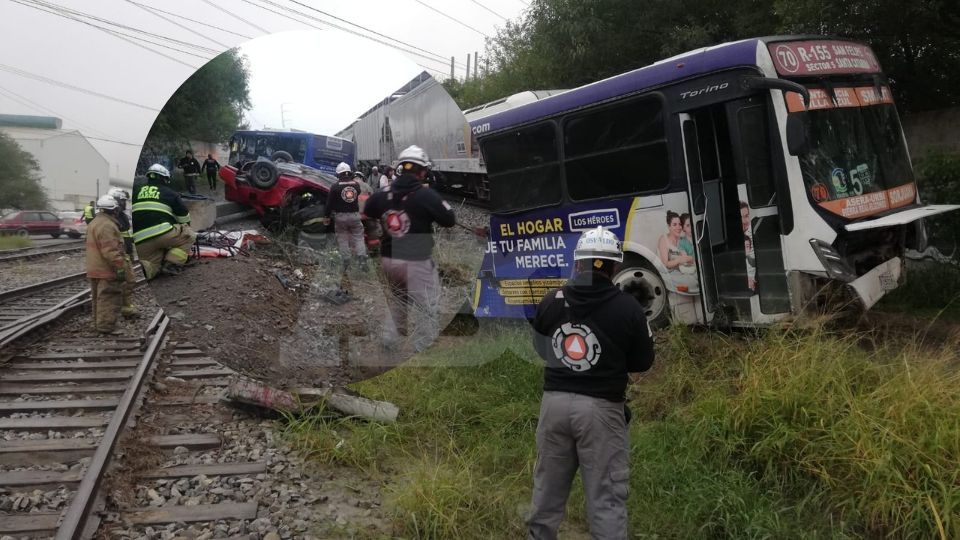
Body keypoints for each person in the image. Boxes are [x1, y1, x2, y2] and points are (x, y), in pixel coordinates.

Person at [527, 226, 655, 540]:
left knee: (547, 489)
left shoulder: (551, 300)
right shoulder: (629, 308)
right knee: (606, 497)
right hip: (601, 411)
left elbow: (541, 348)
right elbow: (642, 362)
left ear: (578, 264)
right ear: (613, 266)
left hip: (553, 405)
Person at [364, 145, 456, 353]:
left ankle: (388, 341)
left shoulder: (383, 193)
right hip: (416, 262)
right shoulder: (425, 195)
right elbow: (449, 220)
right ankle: (423, 349)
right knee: (427, 306)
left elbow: (368, 209)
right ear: (423, 171)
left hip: (389, 260)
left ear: (399, 169)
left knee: (398, 299)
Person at [132, 164, 197, 279]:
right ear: (164, 178)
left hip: (140, 241)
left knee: (153, 264)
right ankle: (172, 264)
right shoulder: (170, 193)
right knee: (190, 235)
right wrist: (183, 230)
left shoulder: (135, 192)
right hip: (163, 234)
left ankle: (145, 269)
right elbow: (184, 219)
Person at [85, 194, 127, 335]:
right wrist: (120, 266)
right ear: (113, 210)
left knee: (98, 297)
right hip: (106, 268)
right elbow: (110, 250)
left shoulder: (94, 222)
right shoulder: (108, 225)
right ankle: (106, 326)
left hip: (94, 267)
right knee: (109, 296)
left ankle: (98, 324)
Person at [325, 162, 369, 274]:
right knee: (359, 237)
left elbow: (329, 204)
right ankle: (362, 259)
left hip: (340, 217)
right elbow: (357, 193)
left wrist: (327, 216)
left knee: (343, 239)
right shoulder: (356, 185)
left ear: (338, 174)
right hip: (354, 216)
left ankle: (346, 260)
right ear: (349, 173)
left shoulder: (335, 187)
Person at [107, 187, 137, 317]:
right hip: (119, 254)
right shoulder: (112, 218)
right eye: (123, 201)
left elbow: (127, 234)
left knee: (128, 281)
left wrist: (131, 252)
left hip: (126, 253)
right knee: (124, 281)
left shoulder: (122, 216)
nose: (125, 203)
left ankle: (125, 307)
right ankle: (123, 308)